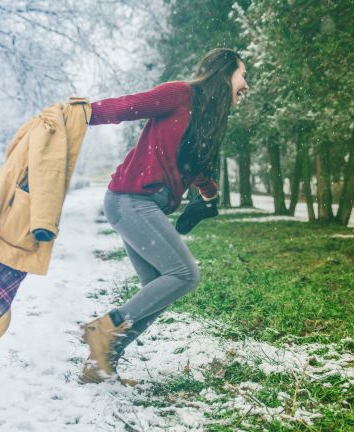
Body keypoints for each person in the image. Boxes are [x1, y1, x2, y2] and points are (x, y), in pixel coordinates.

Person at [79, 48, 250, 385]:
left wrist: (209, 193)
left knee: (157, 288)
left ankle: (101, 365)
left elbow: (193, 163)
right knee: (184, 275)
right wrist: (84, 113)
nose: (246, 86)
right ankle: (104, 328)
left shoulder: (208, 117)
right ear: (225, 72)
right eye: (243, 76)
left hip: (143, 205)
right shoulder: (180, 94)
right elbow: (129, 106)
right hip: (130, 199)